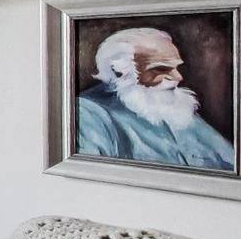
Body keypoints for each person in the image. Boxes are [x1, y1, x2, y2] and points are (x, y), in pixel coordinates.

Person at [76, 27, 235, 171]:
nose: (178, 77)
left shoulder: (177, 107)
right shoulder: (88, 112)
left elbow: (231, 161)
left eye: (176, 68)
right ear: (119, 72)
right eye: (161, 68)